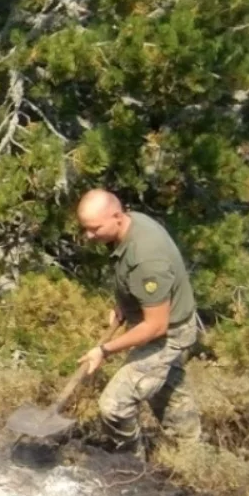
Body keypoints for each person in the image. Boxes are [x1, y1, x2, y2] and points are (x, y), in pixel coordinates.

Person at [75, 189, 202, 449]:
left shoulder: (147, 258)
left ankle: (130, 462)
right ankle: (192, 454)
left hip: (168, 335)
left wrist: (103, 350)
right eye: (85, 229)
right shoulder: (131, 225)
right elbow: (133, 279)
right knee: (168, 395)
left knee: (114, 406)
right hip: (162, 323)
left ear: (117, 217)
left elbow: (156, 326)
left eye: (94, 229)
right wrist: (125, 304)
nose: (89, 236)